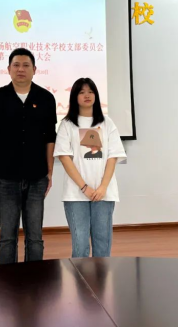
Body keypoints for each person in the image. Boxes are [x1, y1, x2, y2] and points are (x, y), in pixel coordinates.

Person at [0, 48, 57, 264]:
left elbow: (50, 139)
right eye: (16, 65)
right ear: (8, 69)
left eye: (26, 65)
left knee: (35, 238)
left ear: (35, 69)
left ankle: (34, 279)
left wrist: (50, 172)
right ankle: (8, 280)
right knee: (7, 237)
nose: (21, 69)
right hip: (5, 177)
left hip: (37, 177)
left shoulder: (46, 98)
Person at [53, 78, 126, 258]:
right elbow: (64, 158)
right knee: (80, 244)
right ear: (74, 97)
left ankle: (101, 277)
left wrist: (102, 188)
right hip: (76, 193)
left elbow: (113, 157)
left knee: (102, 242)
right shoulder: (67, 124)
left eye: (91, 91)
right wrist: (84, 187)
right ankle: (80, 277)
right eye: (82, 92)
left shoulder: (107, 123)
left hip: (103, 193)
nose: (87, 95)